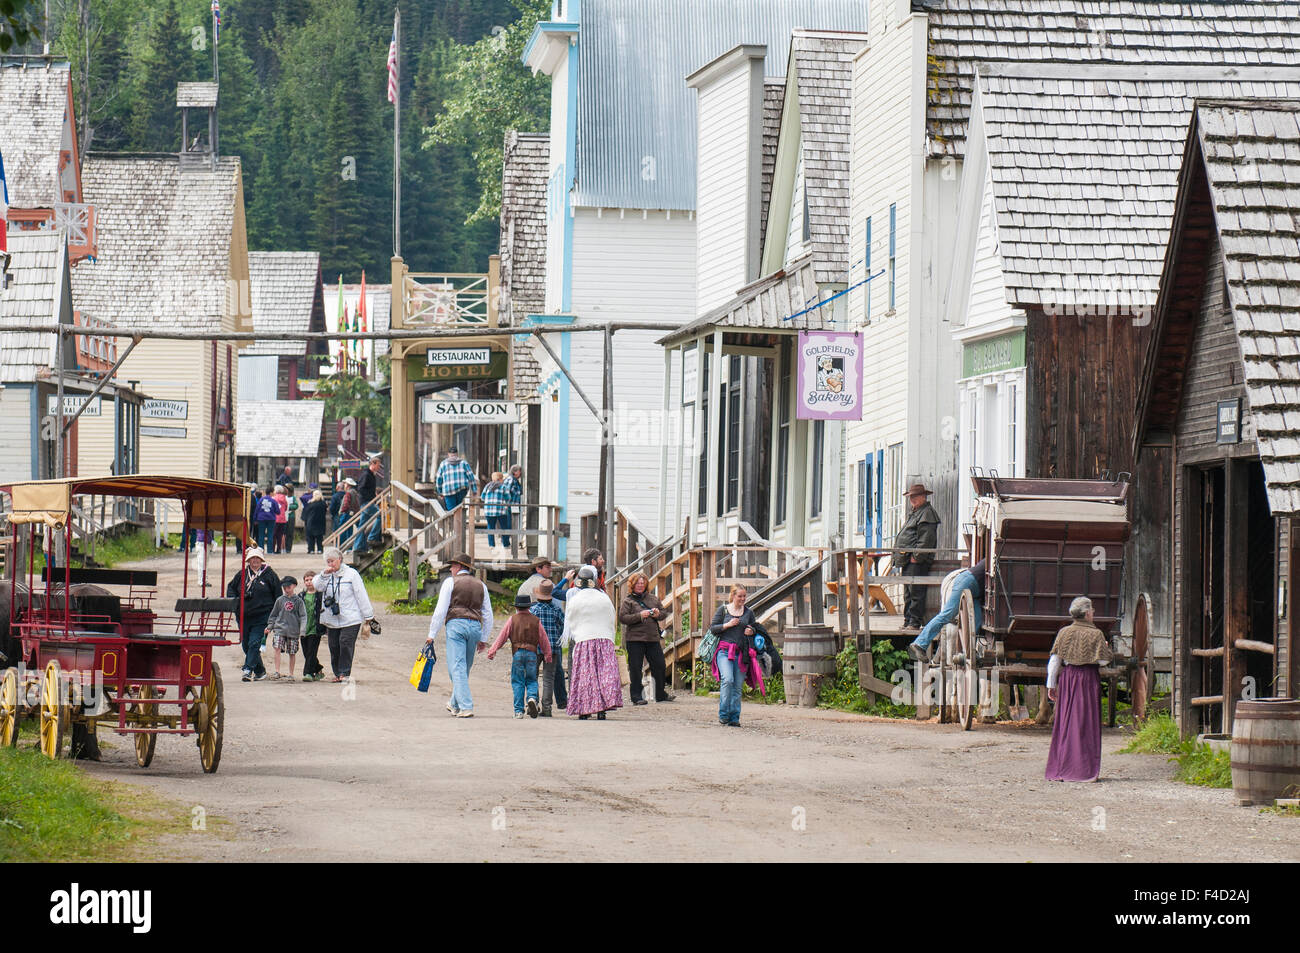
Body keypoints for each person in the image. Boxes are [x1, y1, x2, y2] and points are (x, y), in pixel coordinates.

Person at [1045, 597, 1113, 782]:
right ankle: (1083, 770)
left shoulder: (1064, 633)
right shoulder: (1096, 634)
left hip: (1068, 679)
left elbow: (1054, 662)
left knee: (1066, 722)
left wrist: (1051, 685)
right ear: (1087, 613)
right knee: (1086, 723)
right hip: (1088, 680)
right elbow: (1103, 661)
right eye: (1092, 610)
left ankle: (1063, 768)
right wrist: (1107, 649)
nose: (1094, 613)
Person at [424, 553, 493, 718]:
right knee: (464, 667)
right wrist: (483, 638)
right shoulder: (481, 585)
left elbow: (441, 610)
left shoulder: (450, 582)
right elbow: (488, 613)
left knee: (457, 667)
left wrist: (431, 633)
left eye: (453, 565)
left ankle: (466, 706)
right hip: (475, 626)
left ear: (461, 566)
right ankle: (454, 703)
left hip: (456, 625)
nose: (451, 568)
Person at [562, 565, 622, 720]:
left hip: (584, 640)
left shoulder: (575, 599)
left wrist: (578, 635)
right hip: (604, 639)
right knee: (603, 674)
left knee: (585, 676)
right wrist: (609, 636)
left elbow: (571, 619)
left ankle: (584, 710)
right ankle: (602, 708)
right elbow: (611, 617)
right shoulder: (603, 597)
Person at [316, 546, 378, 682]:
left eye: (332, 561)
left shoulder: (352, 574)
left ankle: (345, 672)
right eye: (328, 561)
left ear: (340, 559)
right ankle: (337, 673)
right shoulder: (326, 575)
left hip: (351, 617)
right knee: (333, 645)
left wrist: (368, 616)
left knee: (345, 643)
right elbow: (317, 586)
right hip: (332, 617)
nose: (331, 564)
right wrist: (323, 574)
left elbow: (361, 595)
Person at [707, 584, 765, 726]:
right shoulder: (723, 610)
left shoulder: (748, 613)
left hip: (741, 653)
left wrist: (751, 631)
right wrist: (728, 625)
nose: (742, 599)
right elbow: (713, 628)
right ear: (733, 596)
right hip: (724, 651)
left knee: (738, 686)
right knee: (727, 679)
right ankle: (724, 714)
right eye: (740, 596)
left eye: (744, 596)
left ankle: (734, 718)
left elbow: (755, 628)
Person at [487, 593, 553, 718]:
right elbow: (543, 639)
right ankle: (532, 698)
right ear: (529, 607)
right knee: (532, 679)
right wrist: (547, 654)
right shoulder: (536, 621)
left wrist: (493, 650)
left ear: (517, 607)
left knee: (518, 681)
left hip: (517, 653)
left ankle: (518, 711)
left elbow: (503, 636)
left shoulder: (513, 619)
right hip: (532, 654)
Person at [907, 558, 986, 662]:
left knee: (977, 619)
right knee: (948, 614)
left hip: (974, 589)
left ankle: (969, 650)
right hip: (967, 582)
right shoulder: (994, 559)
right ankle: (920, 643)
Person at [226, 547, 281, 682]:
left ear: (261, 560)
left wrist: (275, 618)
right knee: (246, 645)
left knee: (255, 643)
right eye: (252, 558)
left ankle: (247, 669)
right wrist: (236, 603)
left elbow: (278, 596)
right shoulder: (242, 574)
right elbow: (231, 588)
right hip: (244, 616)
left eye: (257, 558)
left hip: (263, 616)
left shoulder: (270, 575)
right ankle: (260, 671)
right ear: (248, 560)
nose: (255, 560)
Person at [619, 572, 674, 706]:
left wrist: (657, 614)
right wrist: (639, 615)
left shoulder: (653, 599)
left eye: (642, 583)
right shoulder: (628, 601)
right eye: (638, 583)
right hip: (635, 639)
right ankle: (636, 696)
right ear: (632, 585)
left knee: (660, 665)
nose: (640, 585)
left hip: (652, 638)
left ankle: (660, 694)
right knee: (635, 668)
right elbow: (623, 618)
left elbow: (663, 613)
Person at [893, 483, 940, 629]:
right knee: (908, 592)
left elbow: (926, 539)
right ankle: (908, 620)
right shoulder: (916, 512)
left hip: (916, 561)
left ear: (923, 497)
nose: (912, 499)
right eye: (910, 497)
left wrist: (916, 557)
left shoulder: (927, 513)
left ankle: (914, 622)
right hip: (907, 559)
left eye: (915, 496)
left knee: (916, 592)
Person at [530, 579, 567, 716]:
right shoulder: (557, 610)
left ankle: (533, 699)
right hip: (553, 648)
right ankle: (547, 708)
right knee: (548, 677)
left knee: (532, 675)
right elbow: (563, 628)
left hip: (536, 646)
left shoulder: (533, 610)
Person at [266, 575, 306, 681]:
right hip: (280, 628)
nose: (286, 589)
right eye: (284, 587)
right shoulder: (280, 600)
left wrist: (302, 630)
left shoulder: (299, 601)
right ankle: (277, 671)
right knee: (277, 648)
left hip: (293, 630)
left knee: (292, 652)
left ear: (294, 586)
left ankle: (291, 673)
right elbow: (274, 614)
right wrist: (270, 626)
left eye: (288, 587)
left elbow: (303, 616)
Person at [352, 456, 385, 554]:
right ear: (373, 464)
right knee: (380, 515)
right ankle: (372, 537)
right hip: (367, 502)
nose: (379, 468)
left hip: (366, 502)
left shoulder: (370, 475)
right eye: (378, 465)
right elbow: (361, 489)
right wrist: (371, 497)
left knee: (362, 525)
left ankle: (358, 546)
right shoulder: (367, 475)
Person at [300, 571, 326, 681]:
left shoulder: (320, 595)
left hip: (315, 627)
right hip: (303, 627)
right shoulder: (301, 595)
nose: (309, 582)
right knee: (306, 651)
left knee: (311, 650)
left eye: (311, 579)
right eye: (307, 580)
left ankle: (308, 673)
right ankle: (318, 669)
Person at [480, 472, 511, 557]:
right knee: (503, 527)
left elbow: (482, 497)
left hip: (489, 511)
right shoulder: (503, 487)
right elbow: (508, 498)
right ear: (500, 479)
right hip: (500, 510)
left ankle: (491, 545)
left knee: (490, 527)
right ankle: (506, 544)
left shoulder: (487, 486)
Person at [253, 487, 280, 553]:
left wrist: (255, 519)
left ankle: (260, 550)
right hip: (271, 519)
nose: (274, 493)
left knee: (261, 535)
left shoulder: (261, 499)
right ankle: (270, 551)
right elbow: (278, 511)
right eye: (273, 492)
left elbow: (257, 510)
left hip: (261, 519)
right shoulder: (273, 501)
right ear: (271, 492)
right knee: (270, 535)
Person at [302, 489, 328, 555]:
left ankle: (311, 549)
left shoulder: (310, 504)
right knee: (319, 537)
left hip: (311, 521)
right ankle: (320, 549)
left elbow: (306, 512)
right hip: (321, 521)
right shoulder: (323, 504)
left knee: (311, 537)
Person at [338, 478, 360, 545]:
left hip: (346, 513)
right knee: (349, 531)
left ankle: (340, 545)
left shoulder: (348, 493)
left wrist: (342, 511)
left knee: (342, 531)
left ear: (348, 485)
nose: (344, 485)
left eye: (345, 483)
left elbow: (346, 504)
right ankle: (349, 547)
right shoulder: (355, 493)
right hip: (353, 513)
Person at [271, 484, 290, 554]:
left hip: (275, 518)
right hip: (283, 519)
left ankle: (272, 549)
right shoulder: (284, 498)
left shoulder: (273, 498)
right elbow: (285, 508)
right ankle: (278, 549)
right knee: (280, 535)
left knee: (273, 535)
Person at [283, 483, 298, 554]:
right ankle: (283, 547)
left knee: (290, 533)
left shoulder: (293, 498)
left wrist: (289, 507)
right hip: (284, 516)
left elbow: (296, 505)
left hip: (291, 516)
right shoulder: (283, 497)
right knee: (284, 533)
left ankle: (289, 548)